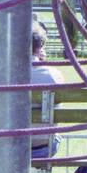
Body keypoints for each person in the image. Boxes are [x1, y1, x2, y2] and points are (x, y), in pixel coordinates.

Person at [30, 21, 63, 160]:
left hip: (8, 145)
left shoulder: (4, 75)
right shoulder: (53, 75)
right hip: (44, 146)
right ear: (39, 47)